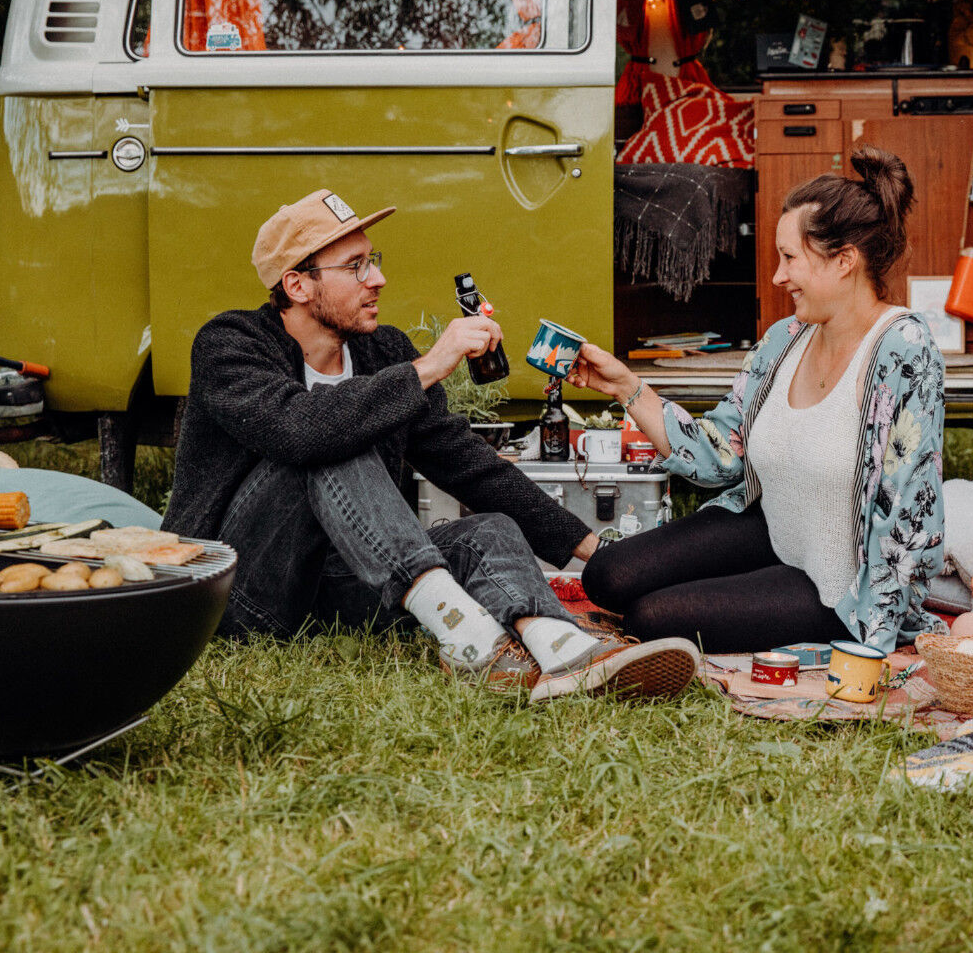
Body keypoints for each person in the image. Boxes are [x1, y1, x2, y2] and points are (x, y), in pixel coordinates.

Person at [163, 188, 700, 702]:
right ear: (298, 285)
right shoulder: (229, 344)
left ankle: (561, 647)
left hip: (342, 593)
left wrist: (603, 555)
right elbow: (299, 427)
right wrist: (430, 366)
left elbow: (469, 467)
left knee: (490, 529)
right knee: (333, 437)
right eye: (355, 266)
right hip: (241, 596)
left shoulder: (382, 351)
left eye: (373, 260)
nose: (378, 279)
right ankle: (467, 636)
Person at [571, 146, 946, 655]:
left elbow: (912, 515)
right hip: (769, 531)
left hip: (835, 580)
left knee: (651, 616)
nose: (777, 277)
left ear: (844, 261)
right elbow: (720, 455)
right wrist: (625, 387)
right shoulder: (784, 337)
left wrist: (874, 637)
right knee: (608, 576)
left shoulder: (903, 348)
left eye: (790, 258)